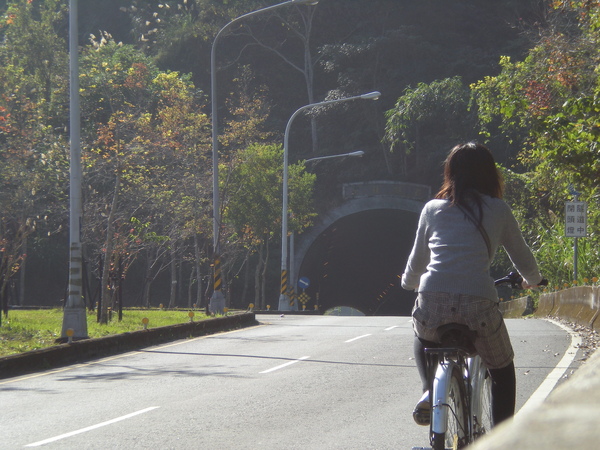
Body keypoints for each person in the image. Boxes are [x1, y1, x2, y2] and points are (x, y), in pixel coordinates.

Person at [401, 142, 543, 427]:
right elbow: (522, 258)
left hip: (433, 299)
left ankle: (429, 390)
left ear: (450, 173)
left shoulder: (432, 209)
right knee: (502, 370)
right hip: (478, 304)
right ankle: (502, 439)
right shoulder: (498, 209)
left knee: (421, 335)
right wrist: (534, 281)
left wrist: (408, 282)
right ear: (490, 175)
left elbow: (417, 260)